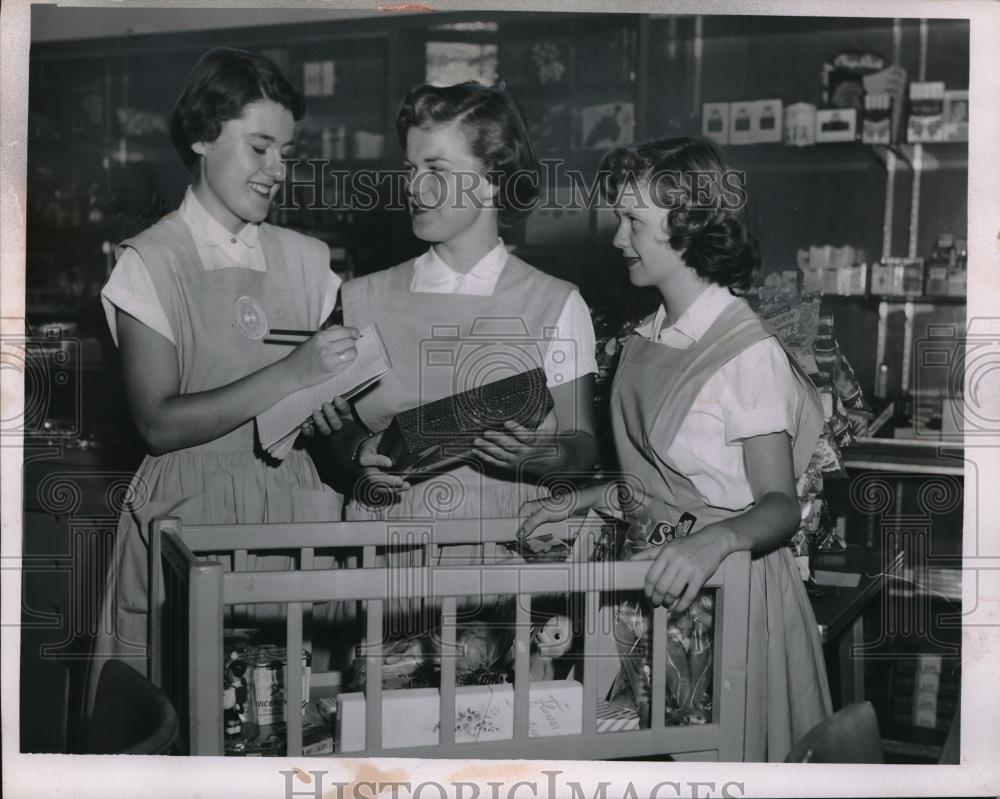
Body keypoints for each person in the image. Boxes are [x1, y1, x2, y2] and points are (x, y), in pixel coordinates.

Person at [520, 136, 832, 761]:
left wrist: (712, 541)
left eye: (634, 221)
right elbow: (662, 487)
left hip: (730, 594)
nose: (617, 238)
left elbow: (777, 507)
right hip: (658, 587)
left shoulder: (745, 352)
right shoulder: (650, 334)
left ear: (688, 225)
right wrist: (582, 500)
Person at [87, 47, 357, 716]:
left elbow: (336, 409)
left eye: (286, 151)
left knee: (292, 719)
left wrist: (333, 414)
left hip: (291, 511)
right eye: (260, 147)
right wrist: (291, 373)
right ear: (204, 136)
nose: (277, 170)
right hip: (188, 517)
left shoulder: (309, 261)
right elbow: (157, 421)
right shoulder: (150, 262)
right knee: (188, 717)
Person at [321, 81, 599, 560]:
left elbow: (581, 446)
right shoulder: (359, 297)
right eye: (410, 168)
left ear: (493, 176)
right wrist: (354, 458)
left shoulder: (555, 303)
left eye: (436, 169)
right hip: (381, 555)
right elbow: (329, 429)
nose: (413, 186)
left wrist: (536, 456)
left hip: (501, 551)